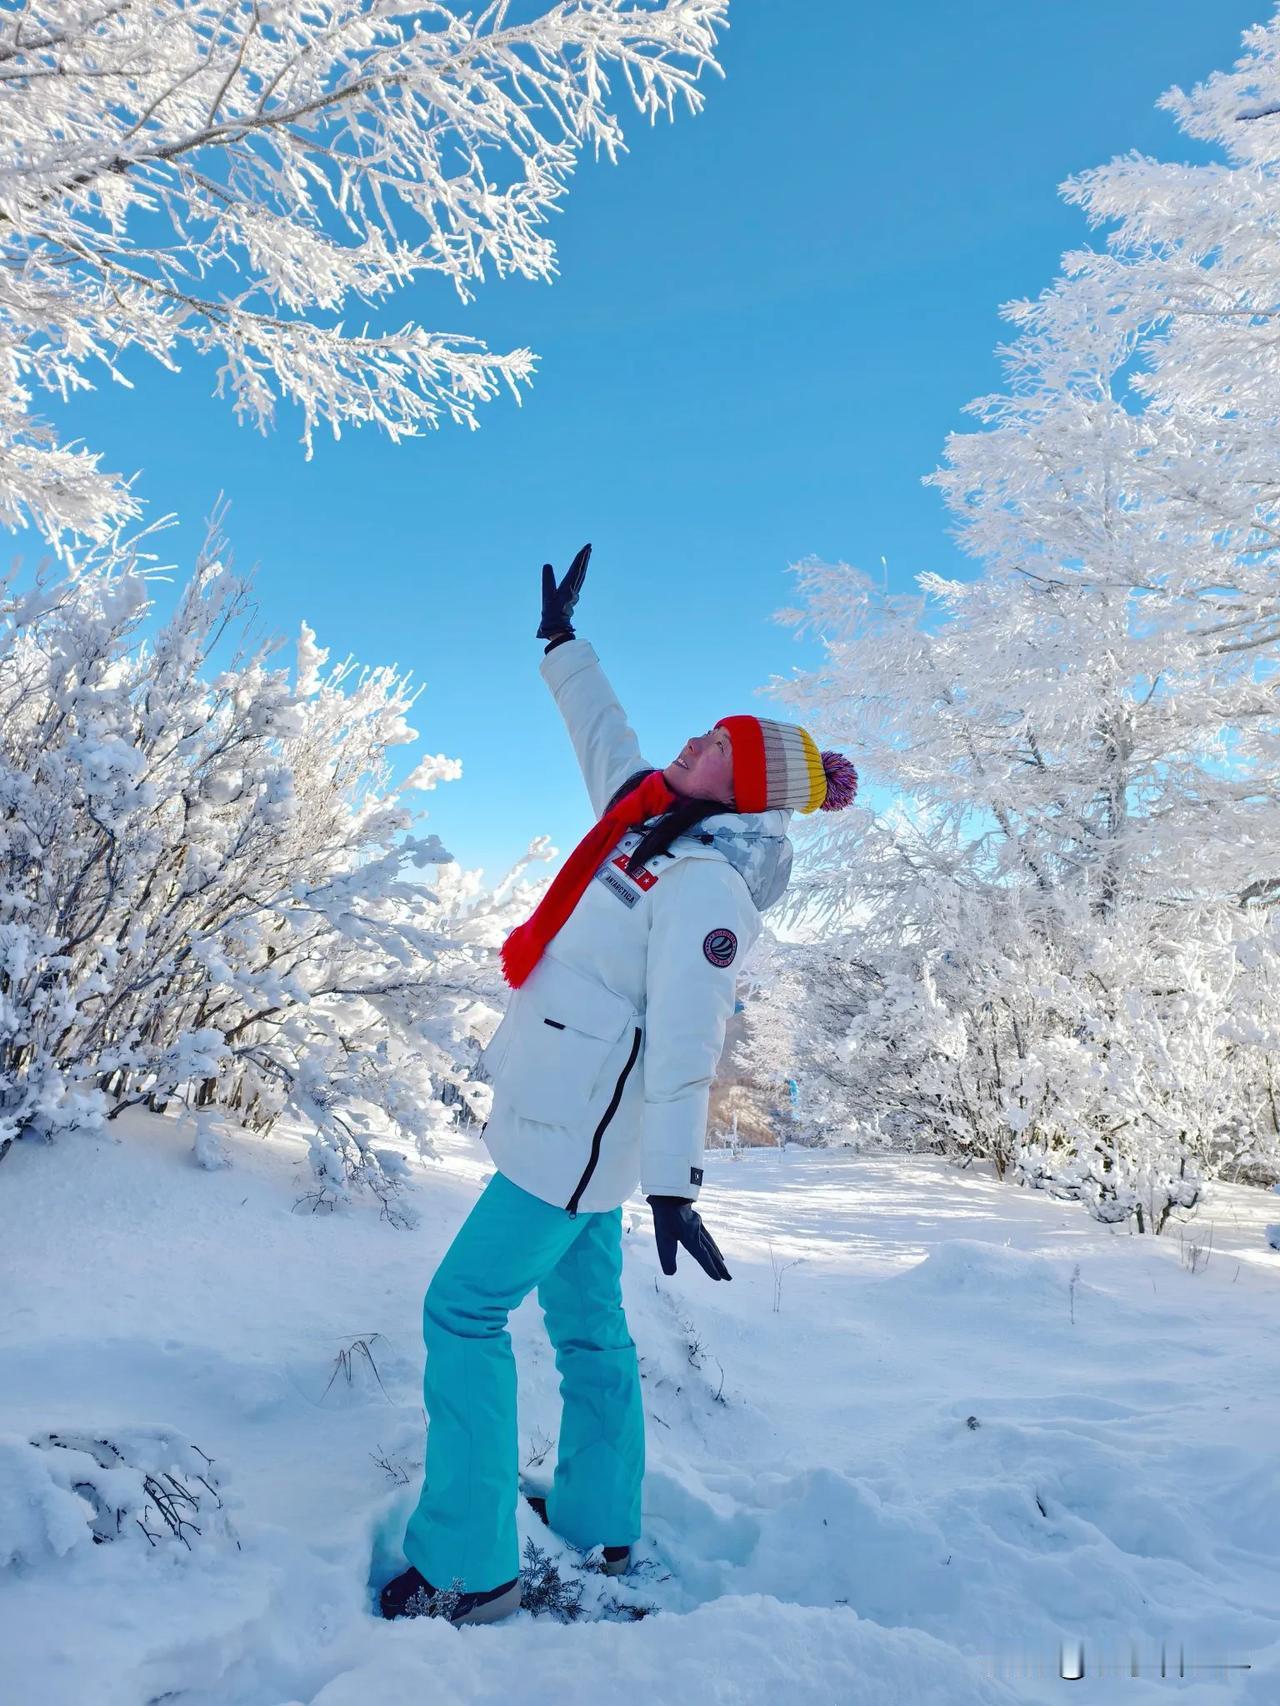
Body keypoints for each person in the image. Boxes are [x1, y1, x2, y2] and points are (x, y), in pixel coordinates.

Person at [379, 544, 857, 1626]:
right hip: (567, 1123)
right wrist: (562, 642)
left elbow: (694, 1036)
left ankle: (465, 1566)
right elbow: (605, 730)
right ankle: (598, 1520)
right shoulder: (646, 816)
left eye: (710, 746)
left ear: (731, 785)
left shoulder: (703, 883)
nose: (687, 742)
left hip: (575, 1143)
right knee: (588, 1326)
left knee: (459, 1312)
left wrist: (676, 1181)